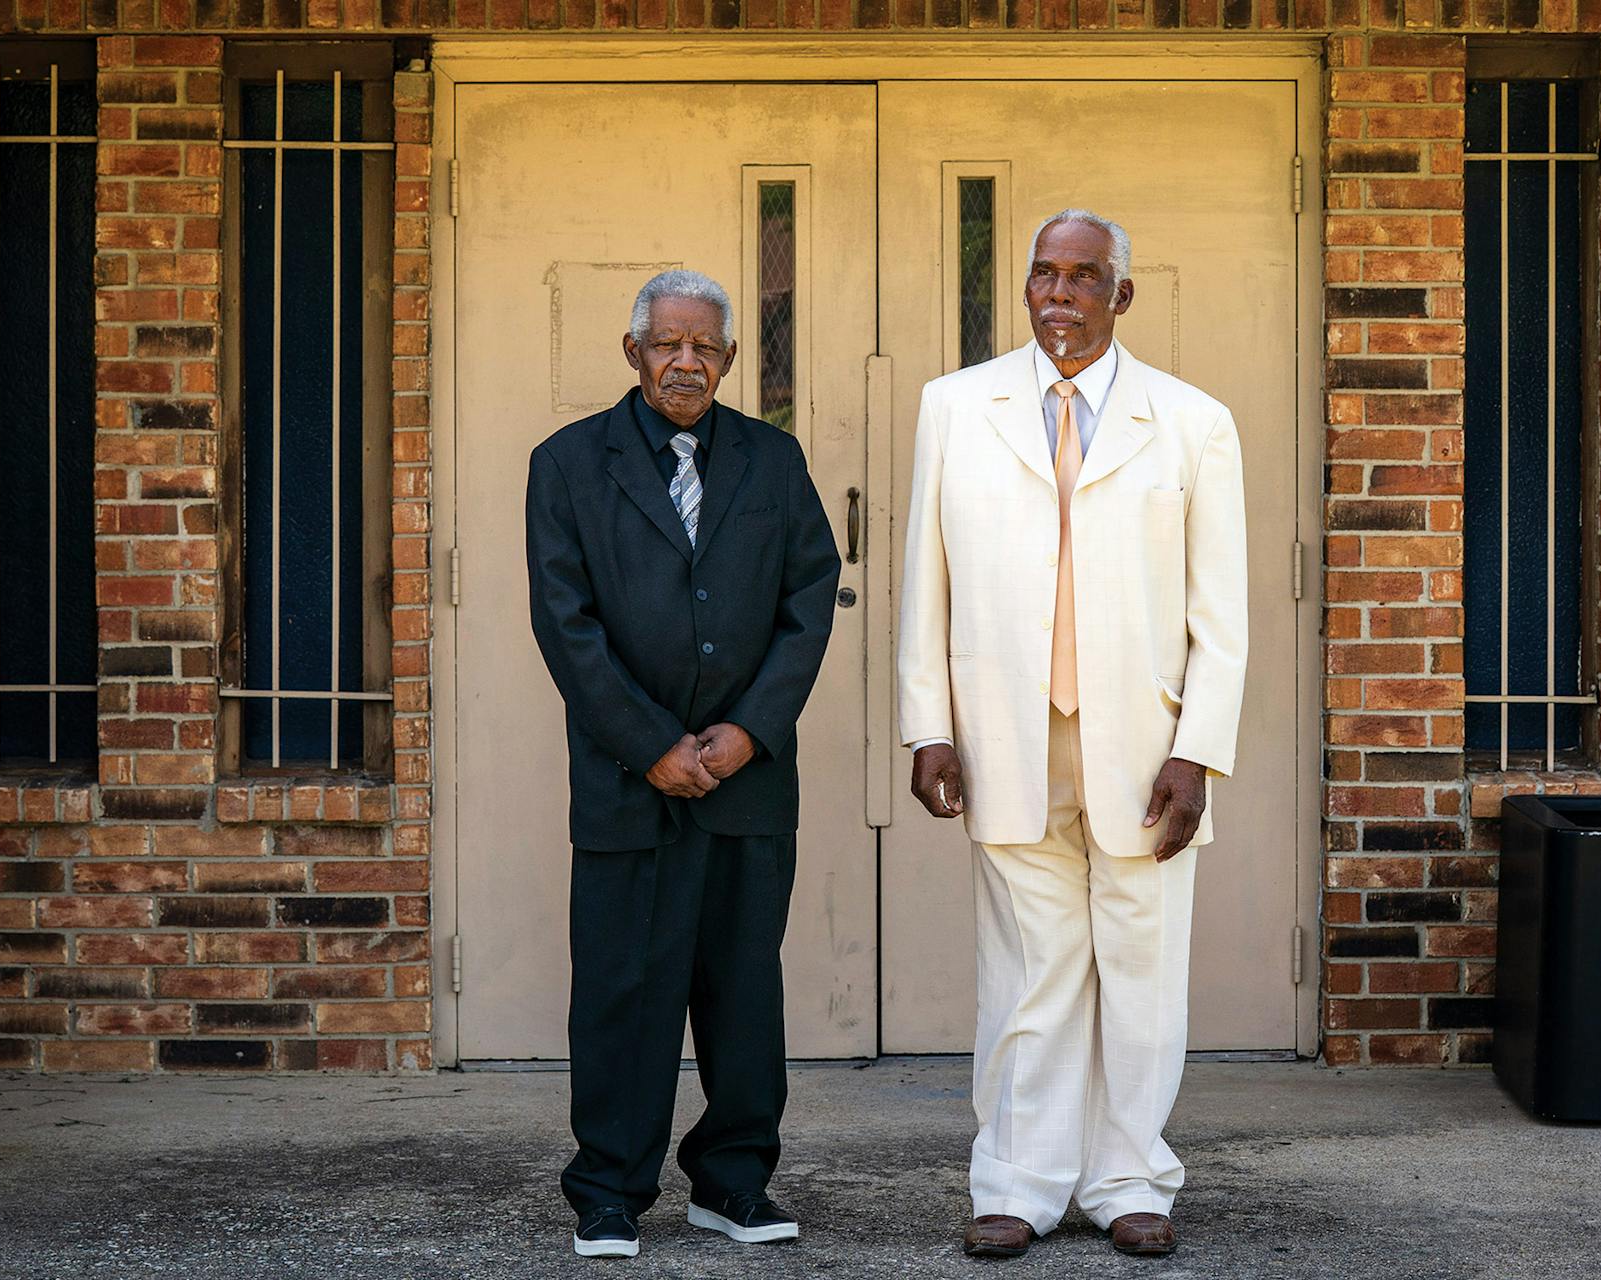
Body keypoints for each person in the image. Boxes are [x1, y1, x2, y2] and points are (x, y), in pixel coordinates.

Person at [897, 210, 1249, 1259]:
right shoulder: (955, 407)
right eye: (1042, 275)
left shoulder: (1191, 422)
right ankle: (1017, 1180)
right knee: (1028, 973)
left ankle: (1128, 1177)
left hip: (1146, 748)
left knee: (1138, 970)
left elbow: (1218, 613)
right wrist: (927, 725)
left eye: (1083, 277)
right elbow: (927, 581)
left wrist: (1199, 750)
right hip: (1006, 735)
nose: (1059, 295)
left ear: (1120, 296)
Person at [525, 269, 840, 1259]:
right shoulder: (569, 463)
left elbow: (807, 600)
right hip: (626, 779)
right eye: (667, 343)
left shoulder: (774, 462)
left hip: (748, 782)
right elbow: (565, 623)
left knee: (743, 990)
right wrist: (651, 741)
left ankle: (733, 1181)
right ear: (633, 352)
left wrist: (747, 730)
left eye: (705, 346)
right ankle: (609, 1187)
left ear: (731, 359)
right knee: (622, 987)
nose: (686, 361)